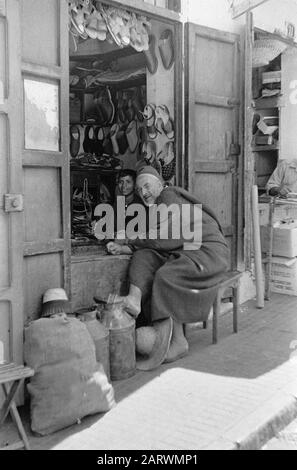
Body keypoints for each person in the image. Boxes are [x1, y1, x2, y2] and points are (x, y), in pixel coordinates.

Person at [106, 166, 229, 370]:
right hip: (186, 250)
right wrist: (124, 248)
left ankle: (179, 342)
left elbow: (164, 238)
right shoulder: (158, 206)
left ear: (160, 184)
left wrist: (127, 239)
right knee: (144, 256)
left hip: (208, 253)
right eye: (139, 190)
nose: (143, 192)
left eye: (147, 186)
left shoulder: (168, 195)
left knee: (166, 275)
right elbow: (154, 243)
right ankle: (134, 300)